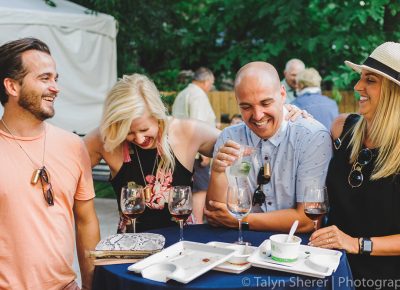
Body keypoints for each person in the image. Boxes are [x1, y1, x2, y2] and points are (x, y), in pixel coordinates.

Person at [0, 38, 100, 290]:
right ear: (12, 86)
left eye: (56, 78)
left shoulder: (73, 146)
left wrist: (90, 284)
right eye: (44, 79)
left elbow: (86, 221)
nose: (55, 88)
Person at [309, 42, 400, 286]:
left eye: (370, 80)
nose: (357, 86)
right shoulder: (342, 128)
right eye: (360, 78)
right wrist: (295, 117)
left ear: (394, 92)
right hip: (328, 268)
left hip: (382, 279)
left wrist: (356, 243)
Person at [205, 61, 332, 233]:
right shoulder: (230, 137)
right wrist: (218, 172)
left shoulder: (312, 136)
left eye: (265, 103)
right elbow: (216, 215)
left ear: (282, 94)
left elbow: (309, 220)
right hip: (240, 246)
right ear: (237, 102)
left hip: (295, 249)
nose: (257, 116)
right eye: (246, 106)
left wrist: (243, 220)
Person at [84, 73, 220, 233]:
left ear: (158, 116)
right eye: (128, 132)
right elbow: (65, 164)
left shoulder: (186, 131)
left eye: (144, 129)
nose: (139, 139)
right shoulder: (105, 139)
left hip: (183, 243)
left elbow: (236, 143)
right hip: (132, 246)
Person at [172, 67, 217, 222]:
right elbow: (198, 125)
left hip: (178, 150)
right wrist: (205, 154)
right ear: (206, 81)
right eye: (211, 84)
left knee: (186, 189)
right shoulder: (198, 96)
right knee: (200, 190)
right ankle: (196, 224)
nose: (211, 87)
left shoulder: (182, 93)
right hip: (197, 152)